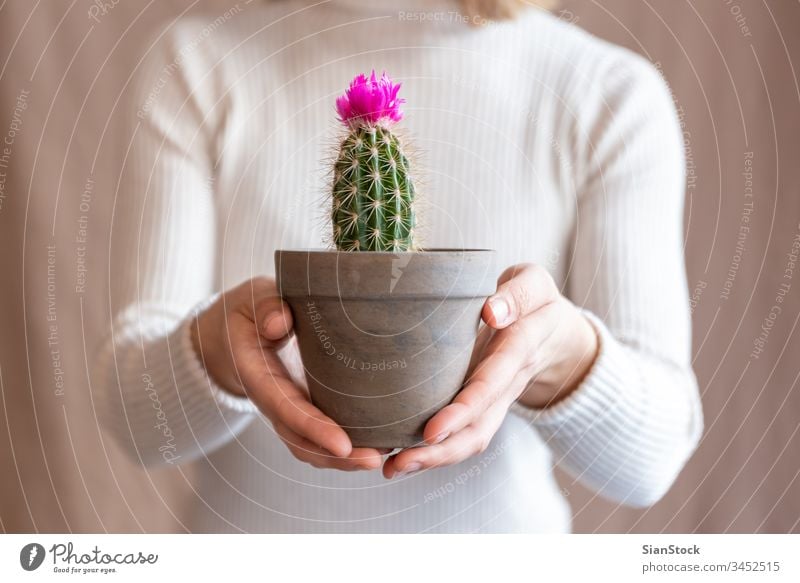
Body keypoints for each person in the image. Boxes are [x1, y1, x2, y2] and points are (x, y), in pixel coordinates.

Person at [93, 0, 704, 532]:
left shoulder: (609, 93)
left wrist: (560, 353)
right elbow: (133, 420)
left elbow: (650, 462)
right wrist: (221, 348)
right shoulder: (198, 64)